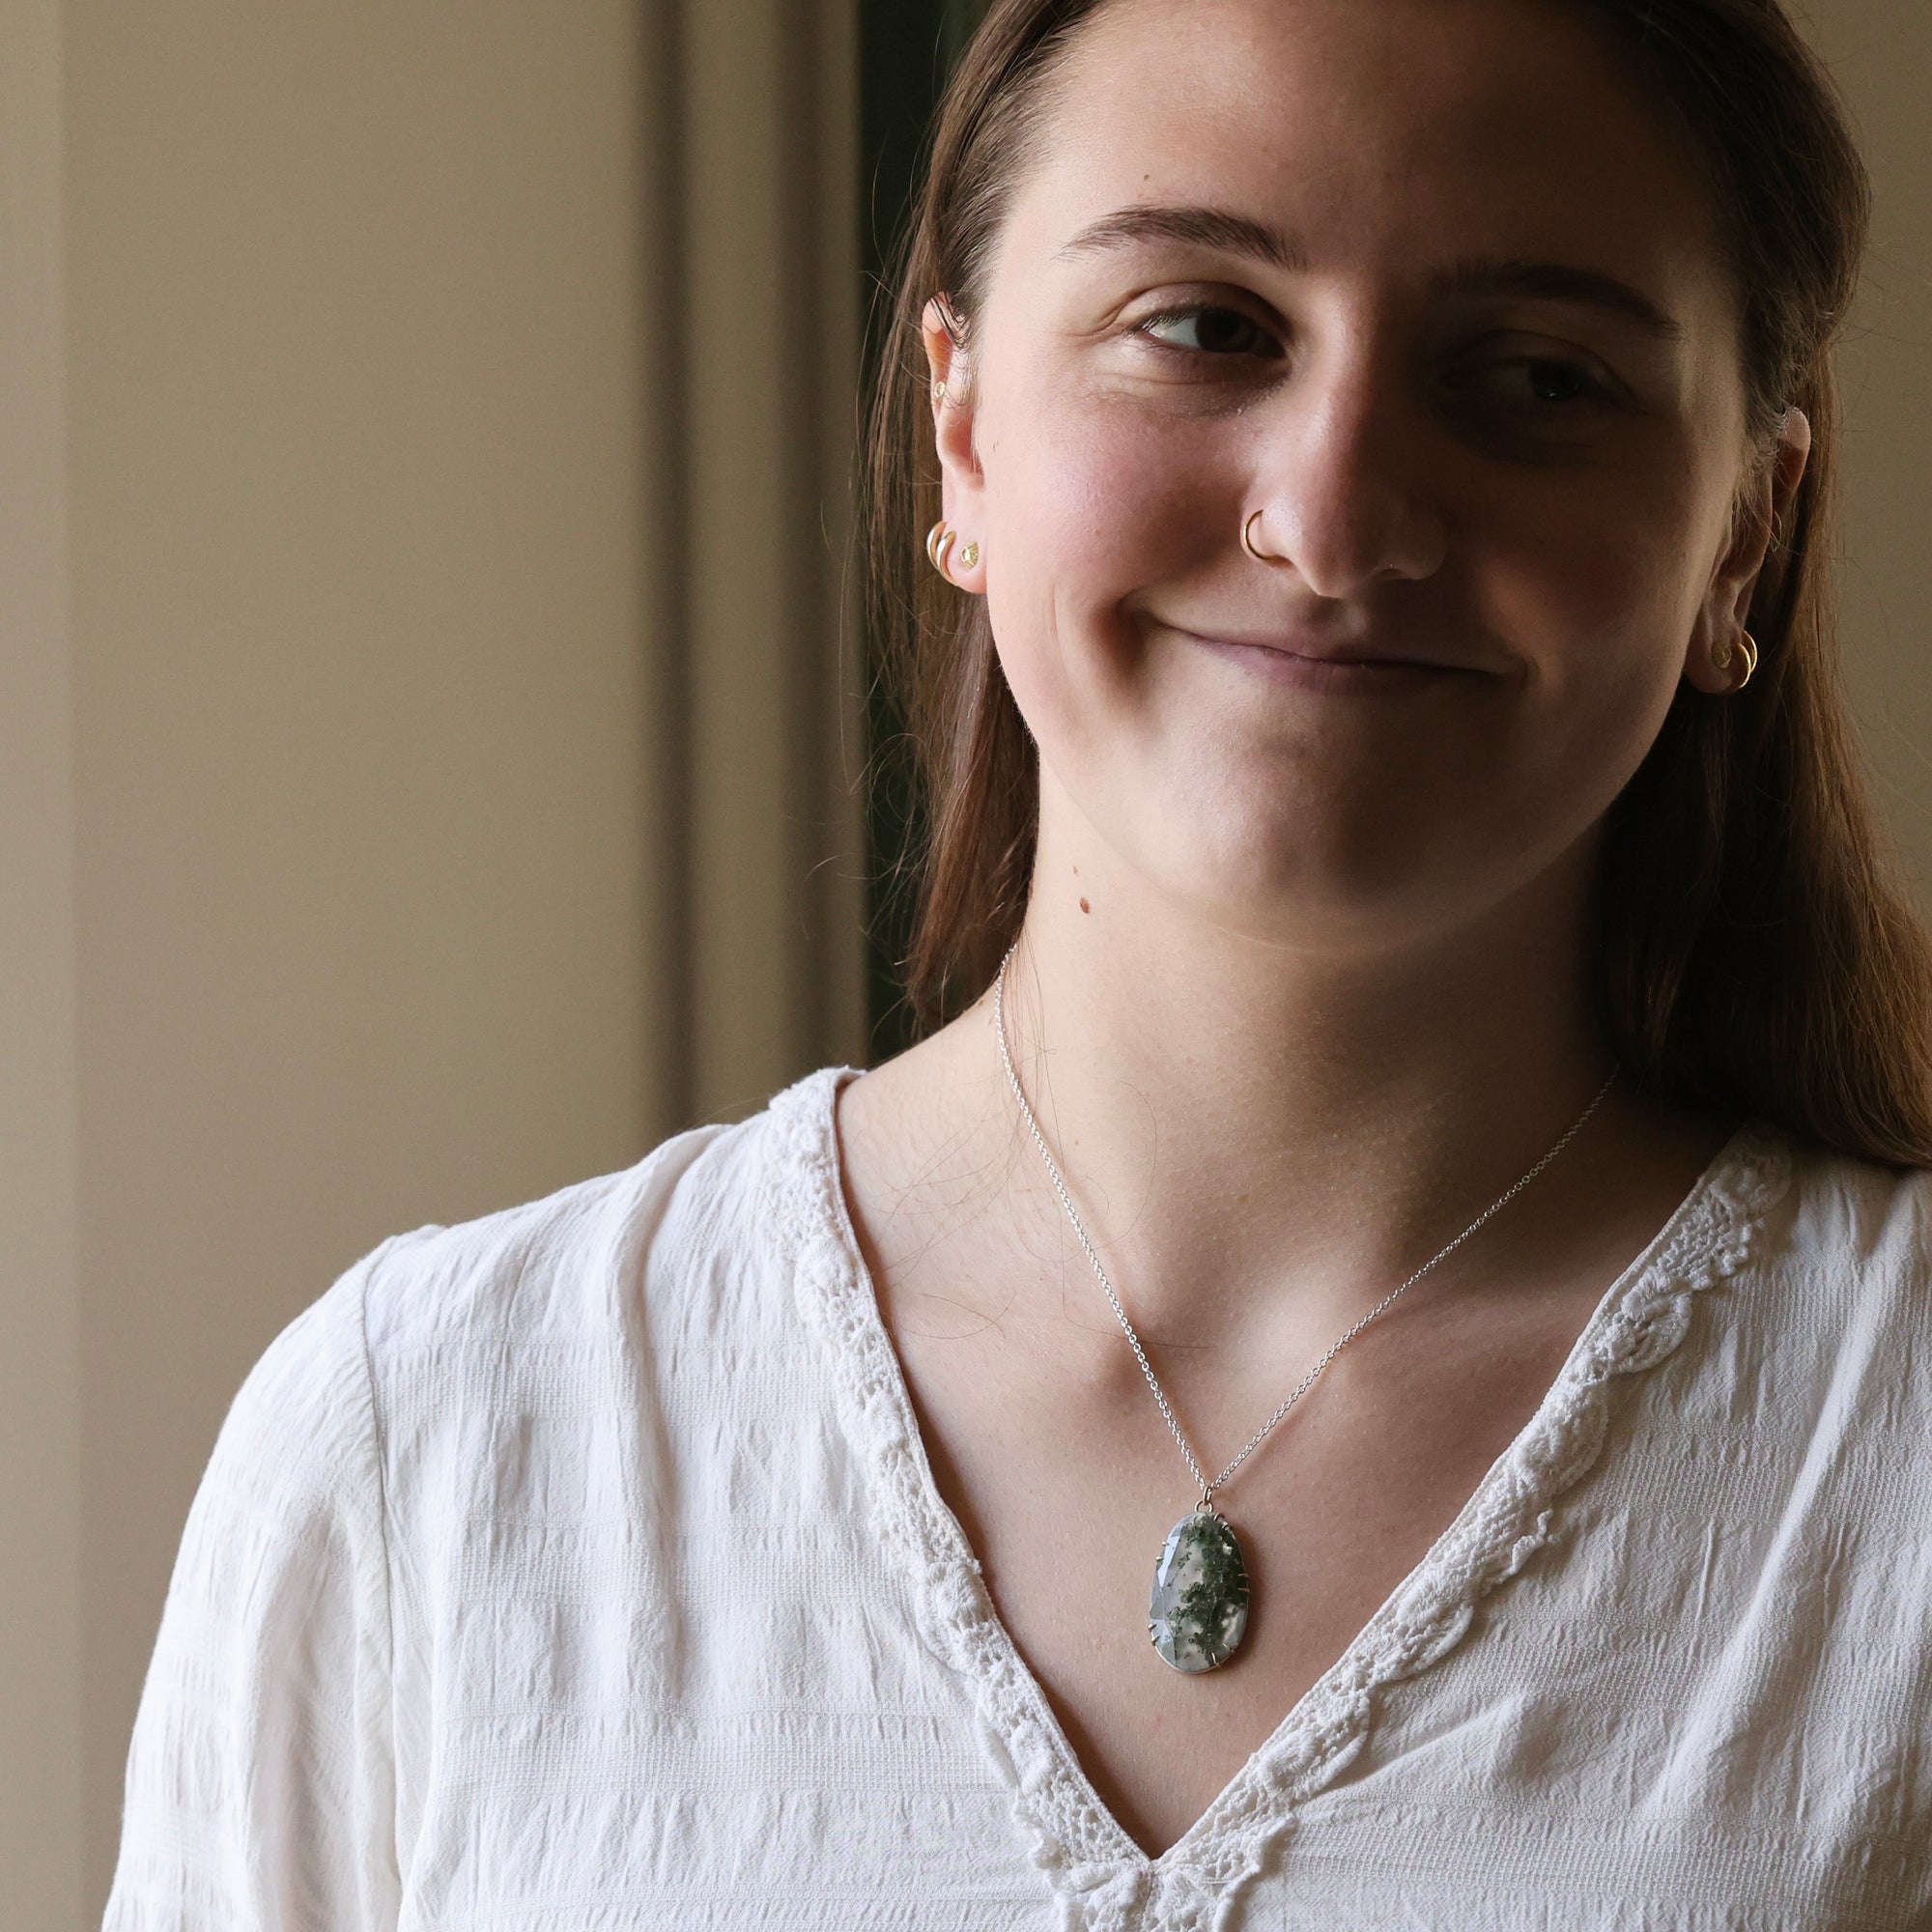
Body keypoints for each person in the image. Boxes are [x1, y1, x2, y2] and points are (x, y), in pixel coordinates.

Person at [105, 0, 1932, 1925]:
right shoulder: (430, 1443)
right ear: (964, 430)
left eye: (1540, 376)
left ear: (1747, 530)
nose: (1329, 519)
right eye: (1206, 326)